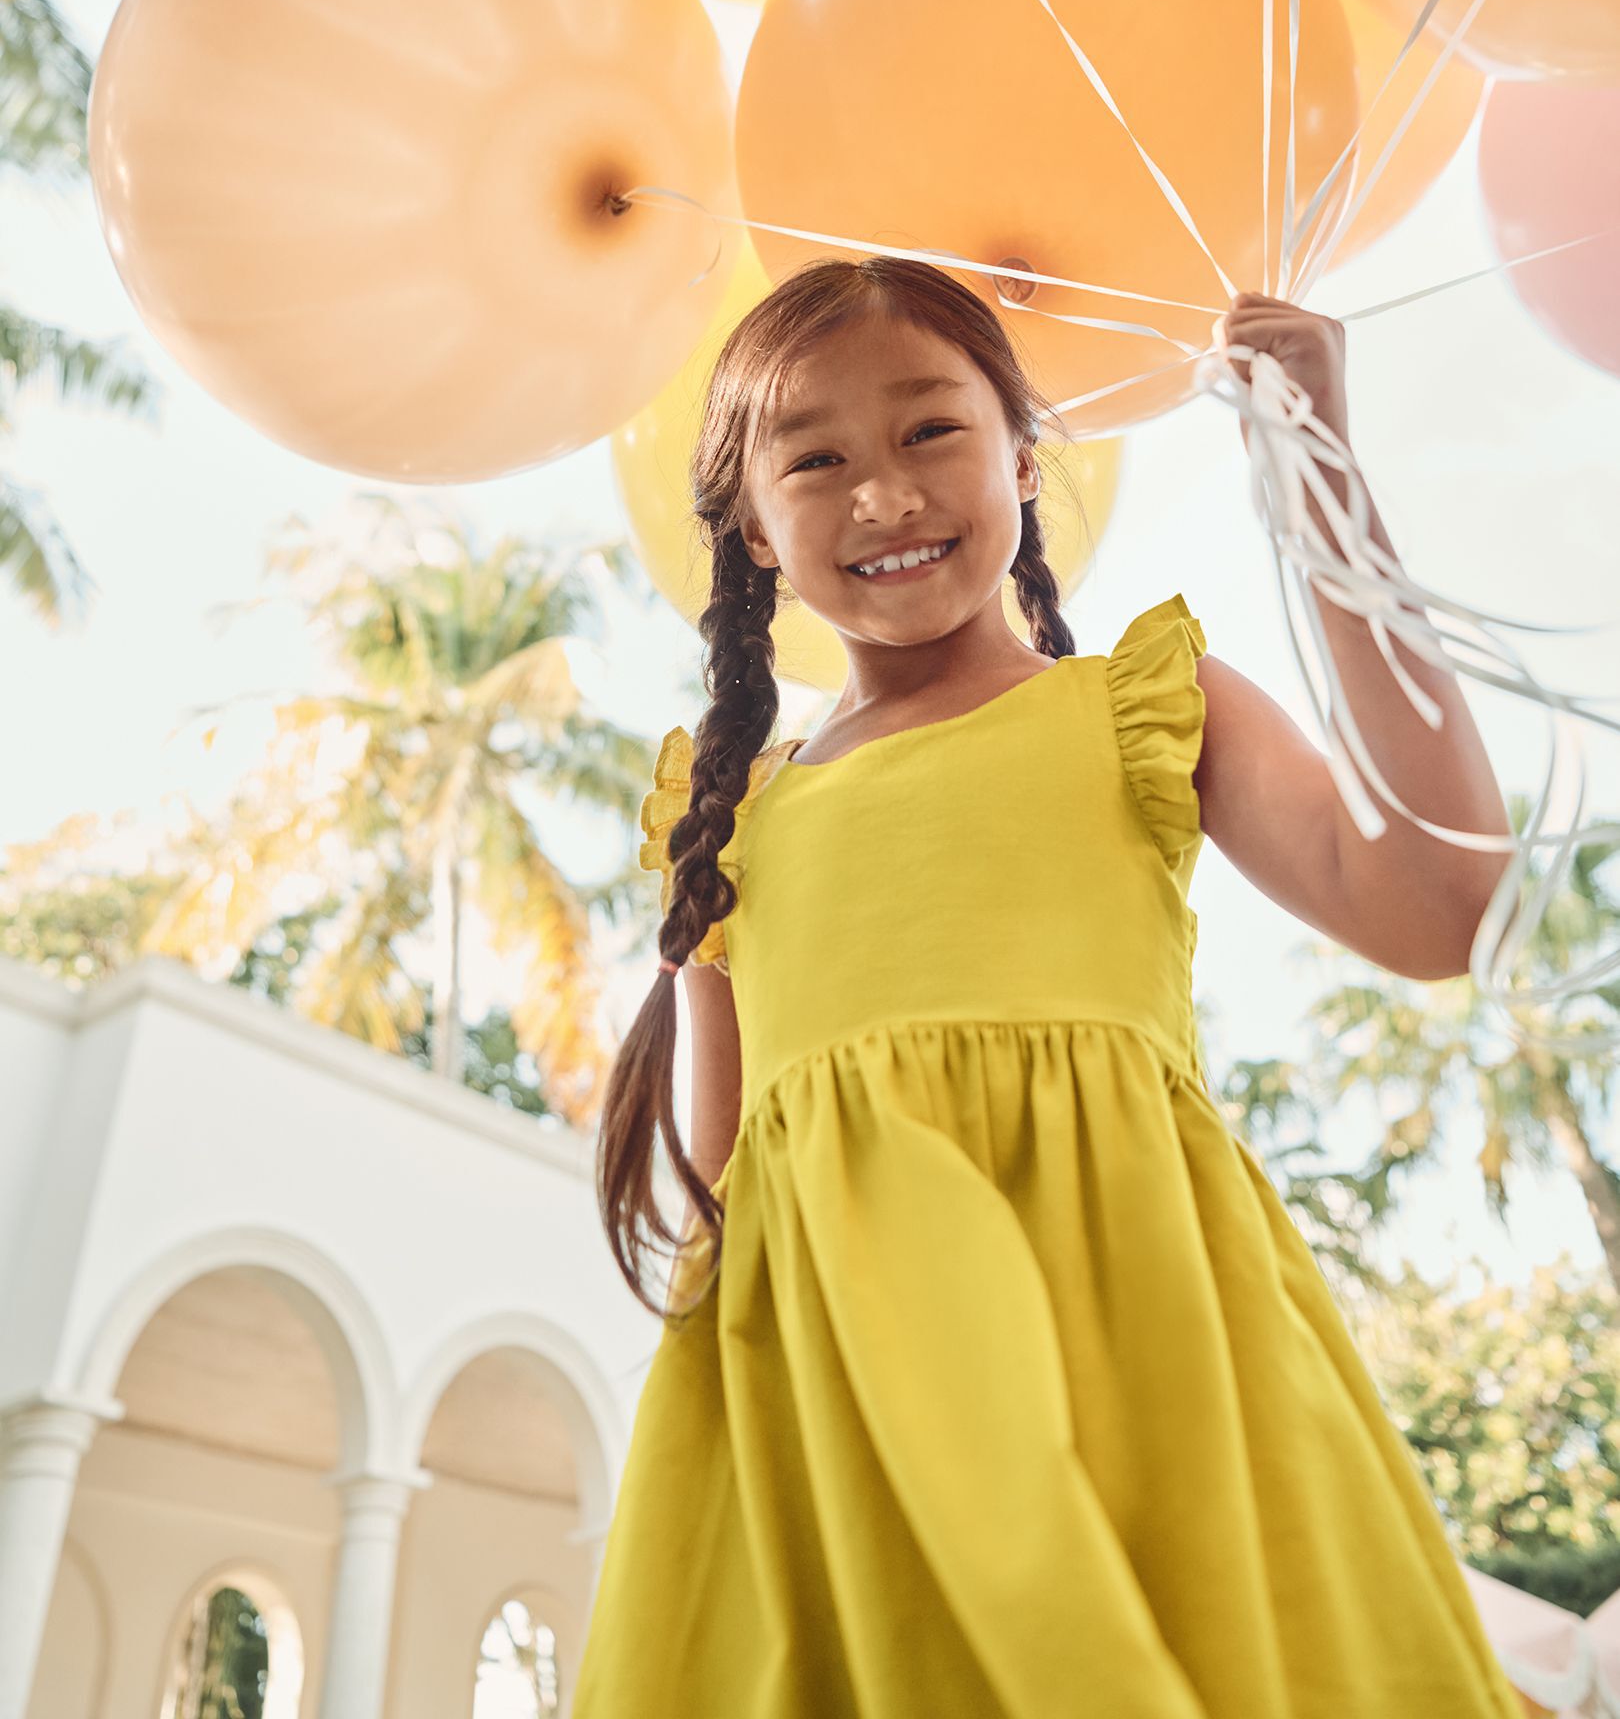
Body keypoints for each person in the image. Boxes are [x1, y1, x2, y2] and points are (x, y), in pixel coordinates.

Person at [574, 255, 1526, 1717]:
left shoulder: (1143, 708)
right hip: (851, 1422)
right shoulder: (728, 824)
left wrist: (1324, 474)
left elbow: (1443, 903)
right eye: (815, 459)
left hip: (1136, 1361)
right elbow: (733, 1191)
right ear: (755, 532)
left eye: (929, 430)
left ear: (1026, 460)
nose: (882, 493)